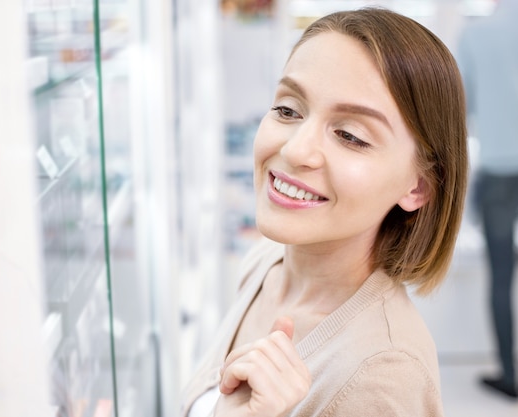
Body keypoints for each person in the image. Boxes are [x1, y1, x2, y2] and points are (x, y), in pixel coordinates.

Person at [181, 7, 468, 416]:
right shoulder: (267, 263)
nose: (295, 149)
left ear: (417, 186)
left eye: (350, 136)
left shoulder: (383, 375)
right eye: (287, 110)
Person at [456, 0, 518, 400]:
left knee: (501, 274)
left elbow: (464, 109)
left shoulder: (477, 32)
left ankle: (508, 378)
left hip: (500, 168)